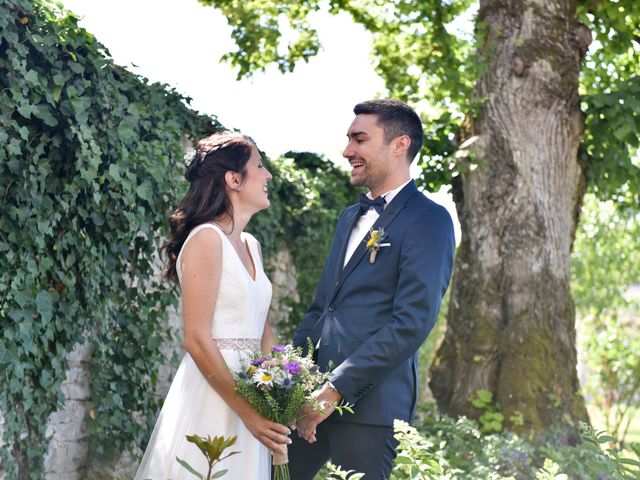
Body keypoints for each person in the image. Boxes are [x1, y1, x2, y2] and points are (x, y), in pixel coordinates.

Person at [288, 99, 456, 479]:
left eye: (359, 139)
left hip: (372, 410)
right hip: (307, 402)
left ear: (400, 145)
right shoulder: (350, 216)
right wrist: (294, 380)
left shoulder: (430, 220)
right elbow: (321, 309)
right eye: (349, 139)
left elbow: (411, 322)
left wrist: (335, 390)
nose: (348, 150)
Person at [134, 132, 291, 480]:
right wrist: (248, 414)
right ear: (233, 179)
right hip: (215, 395)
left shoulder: (252, 245)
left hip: (254, 389)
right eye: (260, 166)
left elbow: (263, 331)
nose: (268, 176)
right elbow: (196, 337)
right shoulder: (207, 238)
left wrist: (285, 392)